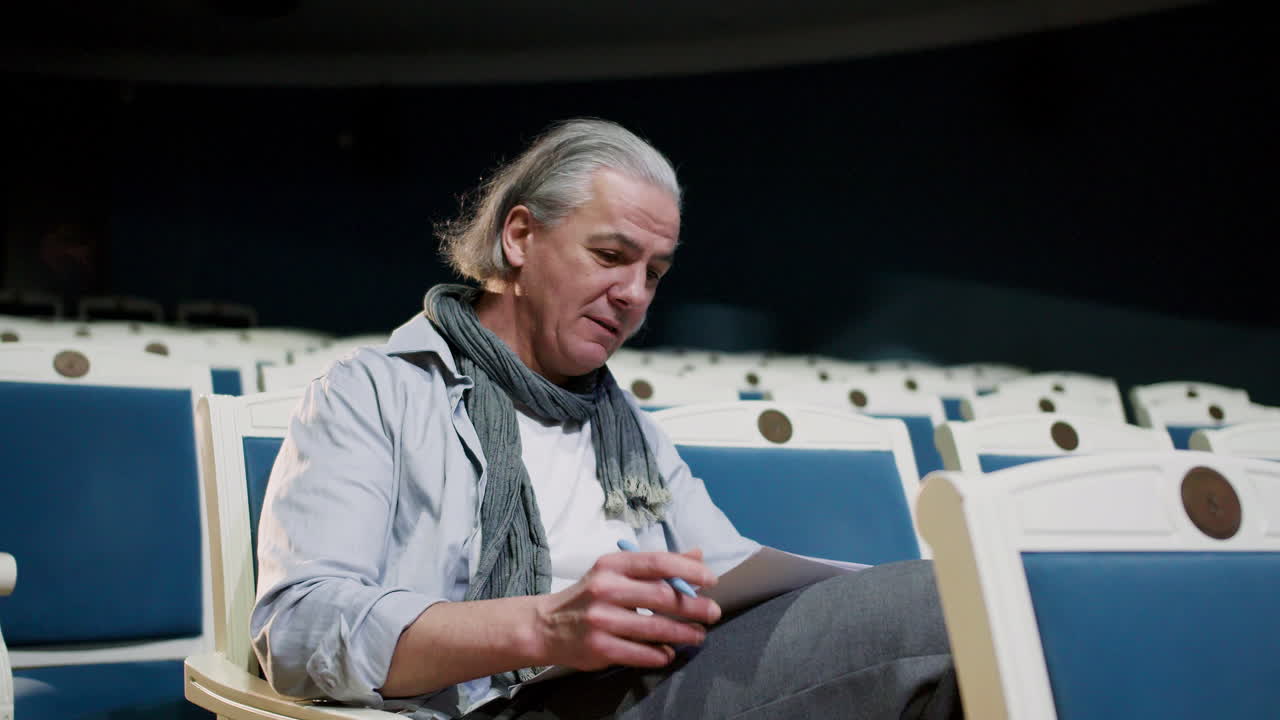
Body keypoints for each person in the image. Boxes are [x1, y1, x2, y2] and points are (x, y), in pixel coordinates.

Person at [251, 118, 963, 720]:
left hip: (644, 686)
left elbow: (718, 575)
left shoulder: (629, 430)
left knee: (964, 614)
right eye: (611, 255)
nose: (633, 295)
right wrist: (547, 626)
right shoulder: (373, 392)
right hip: (495, 706)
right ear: (521, 237)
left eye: (654, 272)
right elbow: (297, 627)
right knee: (944, 611)